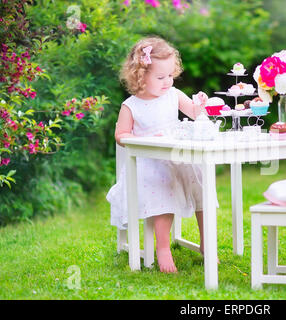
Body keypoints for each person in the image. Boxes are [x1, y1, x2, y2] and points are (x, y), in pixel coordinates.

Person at [106, 36, 215, 273]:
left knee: (201, 181)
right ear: (140, 76)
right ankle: (163, 248)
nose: (167, 82)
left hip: (176, 158)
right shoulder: (131, 105)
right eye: (160, 77)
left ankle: (208, 243)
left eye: (170, 76)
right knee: (163, 188)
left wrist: (201, 105)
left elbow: (196, 114)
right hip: (147, 164)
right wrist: (145, 140)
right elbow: (121, 135)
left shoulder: (173, 94)